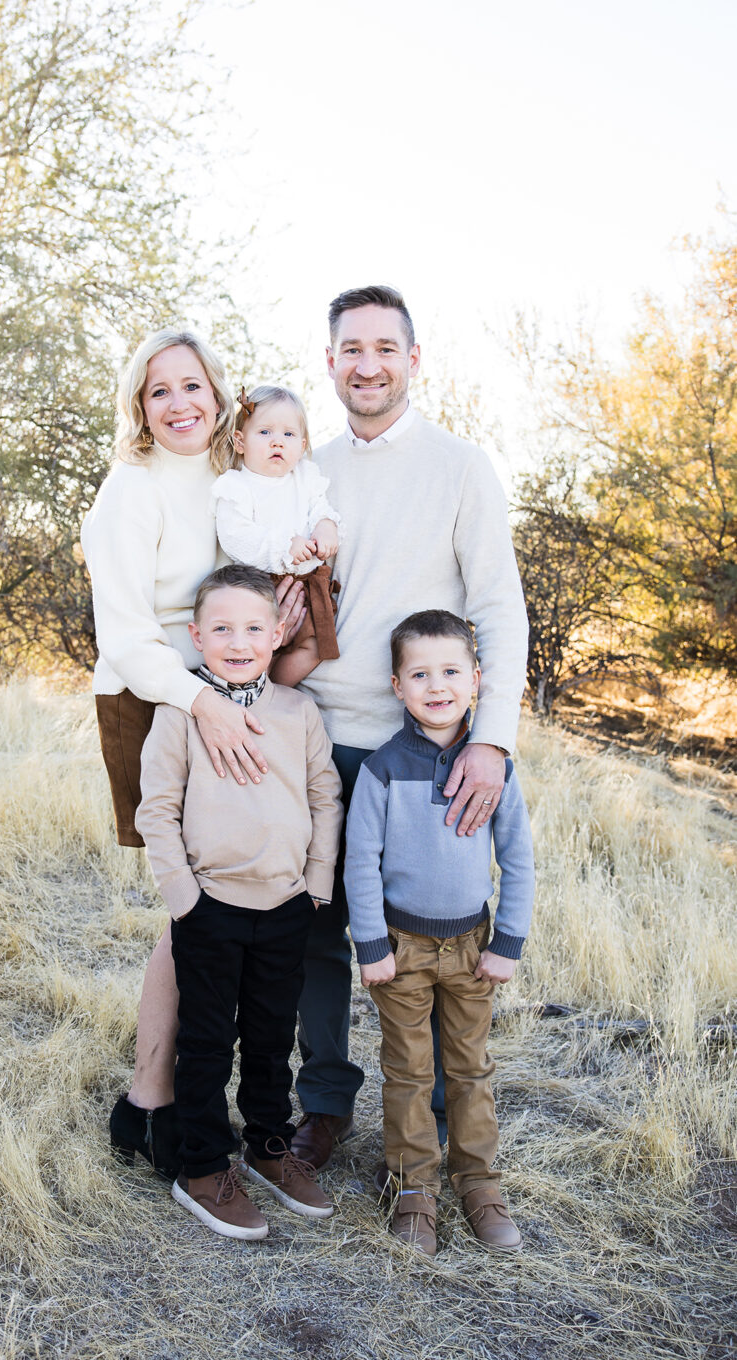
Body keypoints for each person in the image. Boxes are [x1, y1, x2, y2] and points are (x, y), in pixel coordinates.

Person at [291, 285, 529, 1171]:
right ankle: (322, 1104)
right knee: (319, 930)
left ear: (414, 359)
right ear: (329, 362)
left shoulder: (462, 467)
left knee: (434, 932)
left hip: (425, 751)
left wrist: (492, 739)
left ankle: (432, 1121)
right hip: (318, 738)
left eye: (385, 347)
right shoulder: (305, 474)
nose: (367, 364)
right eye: (350, 348)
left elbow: (498, 608)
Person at [81, 330, 305, 1178]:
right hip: (155, 698)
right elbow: (128, 638)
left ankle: (159, 1096)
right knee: (192, 909)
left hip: (224, 688)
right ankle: (149, 1098)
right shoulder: (129, 492)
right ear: (138, 406)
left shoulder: (230, 474)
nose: (179, 404)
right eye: (157, 391)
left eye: (191, 386)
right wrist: (203, 701)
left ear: (217, 392)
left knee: (218, 905)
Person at [136, 565, 342, 1239]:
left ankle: (267, 1146)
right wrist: (185, 899)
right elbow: (157, 812)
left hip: (286, 904)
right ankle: (201, 1167)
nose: (237, 640)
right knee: (204, 1041)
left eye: (254, 627)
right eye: (220, 628)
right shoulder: (182, 711)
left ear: (278, 634)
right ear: (195, 636)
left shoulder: (297, 711)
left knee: (269, 1036)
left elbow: (323, 799)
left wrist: (315, 883)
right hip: (210, 906)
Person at [344, 609, 535, 1256]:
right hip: (400, 950)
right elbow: (359, 863)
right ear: (396, 687)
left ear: (476, 679)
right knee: (407, 1072)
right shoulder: (380, 770)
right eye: (419, 673)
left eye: (451, 670)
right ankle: (413, 1189)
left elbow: (517, 858)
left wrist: (507, 941)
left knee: (469, 1070)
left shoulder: (494, 769)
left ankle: (479, 1183)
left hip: (473, 948)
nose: (436, 685)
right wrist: (369, 945)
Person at [212, 384, 341, 685]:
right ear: (240, 442)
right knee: (255, 652)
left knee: (315, 645)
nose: (277, 443)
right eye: (265, 432)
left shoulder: (306, 479)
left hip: (309, 585)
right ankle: (258, 690)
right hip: (259, 586)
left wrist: (326, 526)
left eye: (288, 435)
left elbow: (321, 509)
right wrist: (285, 546)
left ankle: (279, 690)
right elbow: (235, 536)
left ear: (302, 444)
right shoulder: (237, 487)